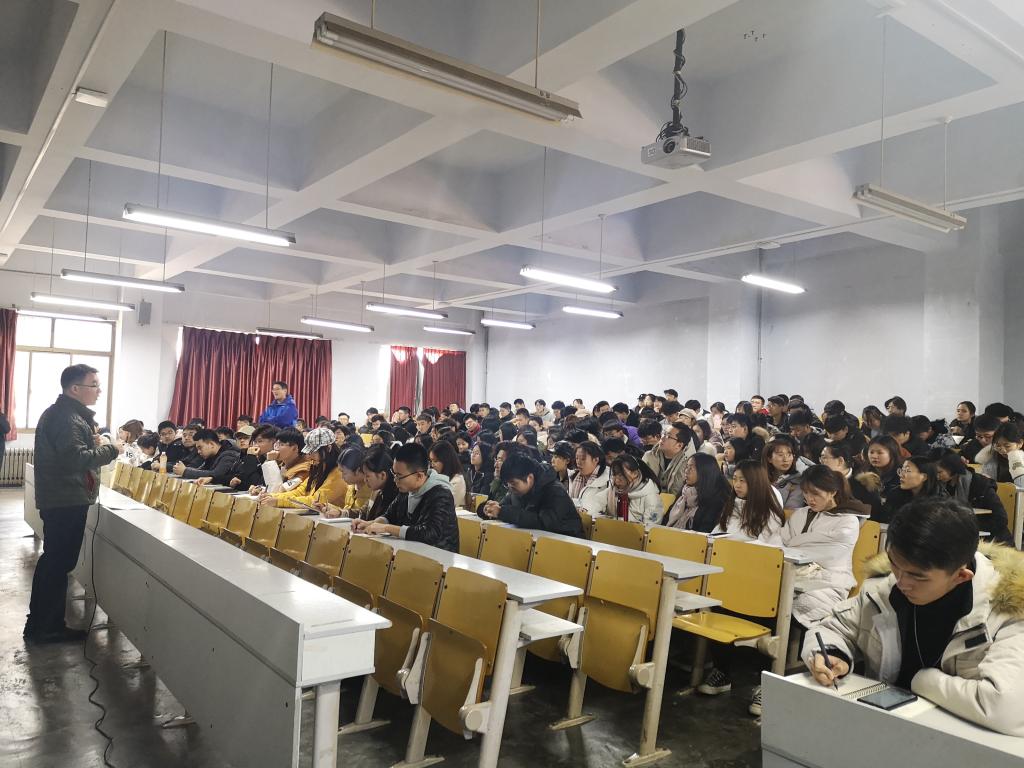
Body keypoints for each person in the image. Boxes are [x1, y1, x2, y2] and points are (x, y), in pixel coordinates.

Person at [804, 498, 1024, 737]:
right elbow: (832, 628)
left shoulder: (1008, 612)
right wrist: (833, 653)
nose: (901, 582)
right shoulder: (884, 590)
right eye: (894, 565)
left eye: (917, 577)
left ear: (961, 576)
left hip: (957, 741)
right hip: (881, 729)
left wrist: (922, 681)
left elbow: (1004, 708)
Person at [26, 364, 124, 644]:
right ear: (75, 388)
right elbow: (74, 459)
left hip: (63, 497)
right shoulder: (67, 418)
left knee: (54, 562)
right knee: (57, 563)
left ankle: (43, 624)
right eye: (94, 385)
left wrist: (92, 444)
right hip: (66, 499)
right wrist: (111, 449)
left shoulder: (65, 415)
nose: (99, 390)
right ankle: (46, 628)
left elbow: (71, 452)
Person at [782, 465, 866, 627]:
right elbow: (782, 541)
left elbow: (828, 555)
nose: (809, 499)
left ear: (832, 492)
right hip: (794, 575)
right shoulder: (801, 513)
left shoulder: (848, 520)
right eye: (805, 493)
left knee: (796, 605)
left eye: (815, 494)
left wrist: (793, 547)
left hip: (832, 581)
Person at [352, 443, 459, 551]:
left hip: (438, 557)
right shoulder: (406, 489)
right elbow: (389, 515)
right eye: (394, 474)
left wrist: (386, 528)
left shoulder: (441, 495)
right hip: (411, 552)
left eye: (399, 476)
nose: (395, 480)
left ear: (419, 476)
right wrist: (369, 524)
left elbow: (429, 533)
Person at [481, 453, 584, 536]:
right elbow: (503, 507)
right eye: (507, 484)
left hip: (566, 544)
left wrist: (502, 512)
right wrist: (488, 509)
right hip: (536, 542)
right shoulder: (517, 490)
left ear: (529, 478)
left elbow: (543, 523)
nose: (510, 487)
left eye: (513, 483)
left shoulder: (555, 491)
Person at [934, 449, 1012, 544]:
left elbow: (1000, 519)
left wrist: (965, 526)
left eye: (939, 472)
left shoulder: (980, 484)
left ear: (953, 468)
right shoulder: (939, 485)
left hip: (992, 540)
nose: (936, 476)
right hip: (961, 538)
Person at [261, 428, 347, 509]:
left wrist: (279, 501)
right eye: (309, 452)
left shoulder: (338, 474)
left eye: (313, 452)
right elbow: (300, 491)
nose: (309, 456)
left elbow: (315, 501)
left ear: (328, 448)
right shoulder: (318, 468)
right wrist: (272, 496)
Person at [711, 459, 784, 542]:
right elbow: (719, 531)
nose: (737, 485)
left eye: (742, 480)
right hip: (725, 547)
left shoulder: (770, 511)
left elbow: (766, 544)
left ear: (756, 482)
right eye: (734, 479)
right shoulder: (734, 503)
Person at [665, 453, 730, 531]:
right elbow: (665, 522)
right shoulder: (685, 492)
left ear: (704, 472)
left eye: (691, 468)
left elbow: (705, 531)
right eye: (687, 467)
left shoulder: (717, 501)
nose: (686, 471)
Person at [820, 442, 883, 520]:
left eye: (824, 458)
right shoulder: (821, 482)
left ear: (840, 461)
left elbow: (875, 516)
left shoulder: (864, 485)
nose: (821, 462)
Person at [881, 455, 948, 523]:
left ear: (924, 477)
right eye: (902, 470)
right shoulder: (895, 493)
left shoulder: (939, 502)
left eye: (907, 471)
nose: (901, 475)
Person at [173, 428, 241, 485]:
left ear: (211, 444)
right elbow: (201, 470)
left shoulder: (229, 455)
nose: (198, 451)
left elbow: (216, 474)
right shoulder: (211, 455)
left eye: (200, 447)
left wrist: (185, 471)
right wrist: (184, 470)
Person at [609, 454, 663, 524]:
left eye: (620, 475)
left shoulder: (651, 498)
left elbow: (650, 528)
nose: (616, 480)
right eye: (614, 474)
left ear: (634, 473)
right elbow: (596, 507)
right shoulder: (612, 491)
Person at [642, 422, 693, 496]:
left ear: (679, 445)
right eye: (664, 433)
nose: (662, 437)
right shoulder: (649, 456)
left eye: (668, 436)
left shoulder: (688, 464)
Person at [763, 435, 811, 511]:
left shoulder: (798, 481)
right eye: (780, 455)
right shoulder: (761, 478)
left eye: (789, 455)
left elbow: (790, 511)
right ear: (769, 458)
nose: (786, 459)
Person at [568, 441, 613, 517]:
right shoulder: (573, 477)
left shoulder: (607, 481)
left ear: (596, 460)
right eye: (577, 458)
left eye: (583, 459)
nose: (578, 462)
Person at [976, 422, 1024, 488]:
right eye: (998, 446)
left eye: (1007, 446)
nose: (1002, 450)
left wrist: (1016, 461)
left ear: (1020, 443)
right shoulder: (991, 457)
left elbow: (1022, 487)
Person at [429, 439, 470, 508]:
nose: (432, 465)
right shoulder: (435, 476)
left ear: (446, 461)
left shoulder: (457, 481)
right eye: (431, 461)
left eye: (435, 461)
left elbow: (444, 506)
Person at [865, 435, 903, 500]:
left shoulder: (901, 476)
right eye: (871, 452)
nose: (874, 456)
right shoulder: (864, 473)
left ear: (892, 454)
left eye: (880, 453)